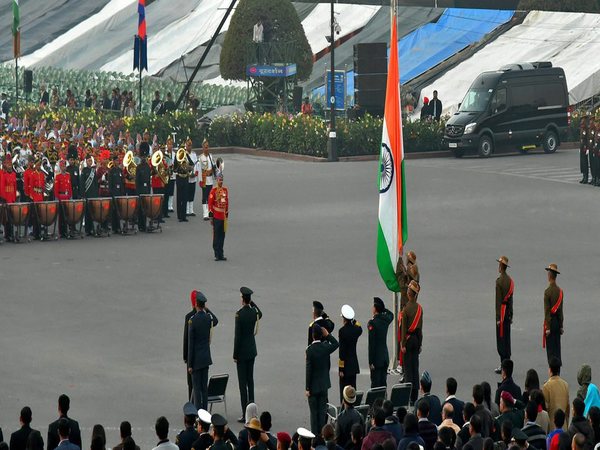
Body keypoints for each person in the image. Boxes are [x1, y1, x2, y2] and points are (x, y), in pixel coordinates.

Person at [234, 286, 263, 423]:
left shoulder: (239, 314)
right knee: (250, 381)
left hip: (242, 353)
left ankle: (245, 412)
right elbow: (260, 313)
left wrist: (235, 354)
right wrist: (251, 302)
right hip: (251, 350)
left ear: (242, 299)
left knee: (242, 384)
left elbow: (237, 337)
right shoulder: (253, 312)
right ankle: (253, 411)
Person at [187, 290, 219, 410]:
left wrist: (190, 364)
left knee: (196, 389)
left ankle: (198, 416)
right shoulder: (207, 318)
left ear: (196, 304)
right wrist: (208, 309)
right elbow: (216, 320)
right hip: (205, 359)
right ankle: (205, 413)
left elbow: (191, 344)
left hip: (196, 361)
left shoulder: (192, 320)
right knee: (204, 389)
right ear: (203, 305)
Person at [306, 323, 339, 434]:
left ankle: (315, 438)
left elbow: (309, 370)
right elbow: (336, 343)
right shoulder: (325, 347)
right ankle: (322, 436)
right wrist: (328, 334)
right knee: (322, 413)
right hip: (324, 385)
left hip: (313, 387)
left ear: (313, 335)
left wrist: (307, 388)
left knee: (314, 415)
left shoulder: (309, 350)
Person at [401, 281, 423, 401]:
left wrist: (403, 344)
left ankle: (409, 396)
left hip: (408, 340)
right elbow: (420, 328)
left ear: (409, 294)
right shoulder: (419, 308)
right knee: (415, 367)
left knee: (408, 369)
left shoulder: (406, 309)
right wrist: (420, 343)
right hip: (416, 339)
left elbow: (404, 329)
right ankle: (415, 395)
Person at [339, 304, 362, 401]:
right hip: (353, 365)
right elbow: (360, 328)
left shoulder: (342, 331)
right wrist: (354, 321)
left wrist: (341, 368)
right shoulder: (356, 330)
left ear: (344, 318)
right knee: (353, 389)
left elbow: (342, 352)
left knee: (344, 390)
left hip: (346, 366)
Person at [494, 257, 514, 373]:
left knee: (501, 340)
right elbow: (511, 300)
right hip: (507, 313)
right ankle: (508, 363)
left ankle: (503, 364)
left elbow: (498, 301)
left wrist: (498, 318)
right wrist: (511, 314)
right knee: (507, 339)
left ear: (501, 267)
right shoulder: (510, 281)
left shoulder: (499, 281)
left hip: (501, 313)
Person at [543, 264, 563, 365]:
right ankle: (558, 372)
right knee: (557, 348)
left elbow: (547, 312)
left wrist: (547, 327)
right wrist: (561, 326)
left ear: (550, 275)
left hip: (550, 323)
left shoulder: (547, 292)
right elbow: (560, 312)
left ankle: (552, 374)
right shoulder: (560, 291)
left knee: (550, 350)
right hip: (557, 323)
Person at [543, 357, 570, 426]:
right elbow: (567, 408)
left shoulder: (546, 386)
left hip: (552, 426)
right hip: (563, 425)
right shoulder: (565, 385)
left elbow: (546, 408)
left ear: (550, 370)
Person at [208, 173, 229, 261]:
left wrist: (227, 215)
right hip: (216, 216)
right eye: (220, 180)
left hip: (223, 216)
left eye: (222, 180)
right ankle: (216, 254)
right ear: (217, 180)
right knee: (216, 235)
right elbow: (210, 203)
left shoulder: (225, 190)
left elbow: (227, 202)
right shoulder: (213, 191)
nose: (221, 181)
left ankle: (221, 253)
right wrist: (211, 216)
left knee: (222, 236)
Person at [80, 155, 99, 236]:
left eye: (90, 161)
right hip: (87, 194)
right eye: (88, 161)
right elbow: (82, 183)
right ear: (85, 162)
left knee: (92, 212)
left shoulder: (93, 171)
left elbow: (95, 183)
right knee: (87, 213)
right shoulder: (84, 171)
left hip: (93, 194)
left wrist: (96, 194)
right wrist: (83, 194)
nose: (90, 162)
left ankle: (92, 228)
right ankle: (88, 230)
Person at [183, 292, 197, 401]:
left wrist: (185, 355)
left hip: (191, 356)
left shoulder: (189, 317)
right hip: (202, 357)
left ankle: (192, 406)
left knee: (191, 383)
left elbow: (186, 338)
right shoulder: (206, 316)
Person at [54, 160, 72, 238]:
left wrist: (70, 195)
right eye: (62, 166)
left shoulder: (68, 175)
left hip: (67, 196)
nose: (63, 168)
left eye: (64, 166)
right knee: (61, 215)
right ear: (60, 167)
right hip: (61, 197)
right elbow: (56, 189)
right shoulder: (58, 176)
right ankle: (61, 231)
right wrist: (57, 198)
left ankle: (66, 230)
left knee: (67, 214)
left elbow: (69, 186)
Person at [136, 142, 151, 231]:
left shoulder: (148, 167)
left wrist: (149, 190)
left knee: (145, 208)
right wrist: (138, 192)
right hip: (140, 189)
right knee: (140, 209)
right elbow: (137, 181)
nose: (143, 159)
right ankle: (140, 225)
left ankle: (144, 225)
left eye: (145, 158)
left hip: (146, 189)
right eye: (142, 158)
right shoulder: (138, 167)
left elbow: (148, 180)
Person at [199, 140, 215, 221]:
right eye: (205, 147)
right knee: (204, 196)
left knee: (210, 196)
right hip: (204, 179)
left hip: (210, 179)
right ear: (203, 148)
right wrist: (200, 180)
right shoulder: (201, 157)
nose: (207, 148)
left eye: (208, 146)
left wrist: (211, 171)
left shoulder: (210, 156)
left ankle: (209, 211)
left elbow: (213, 166)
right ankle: (205, 213)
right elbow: (199, 169)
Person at [580, 115, 590, 184]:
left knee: (585, 163)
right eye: (581, 121)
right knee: (582, 163)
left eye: (583, 121)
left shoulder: (586, 129)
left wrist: (586, 148)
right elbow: (581, 139)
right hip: (581, 148)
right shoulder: (582, 129)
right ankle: (584, 177)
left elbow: (587, 139)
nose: (582, 123)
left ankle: (586, 177)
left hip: (585, 148)